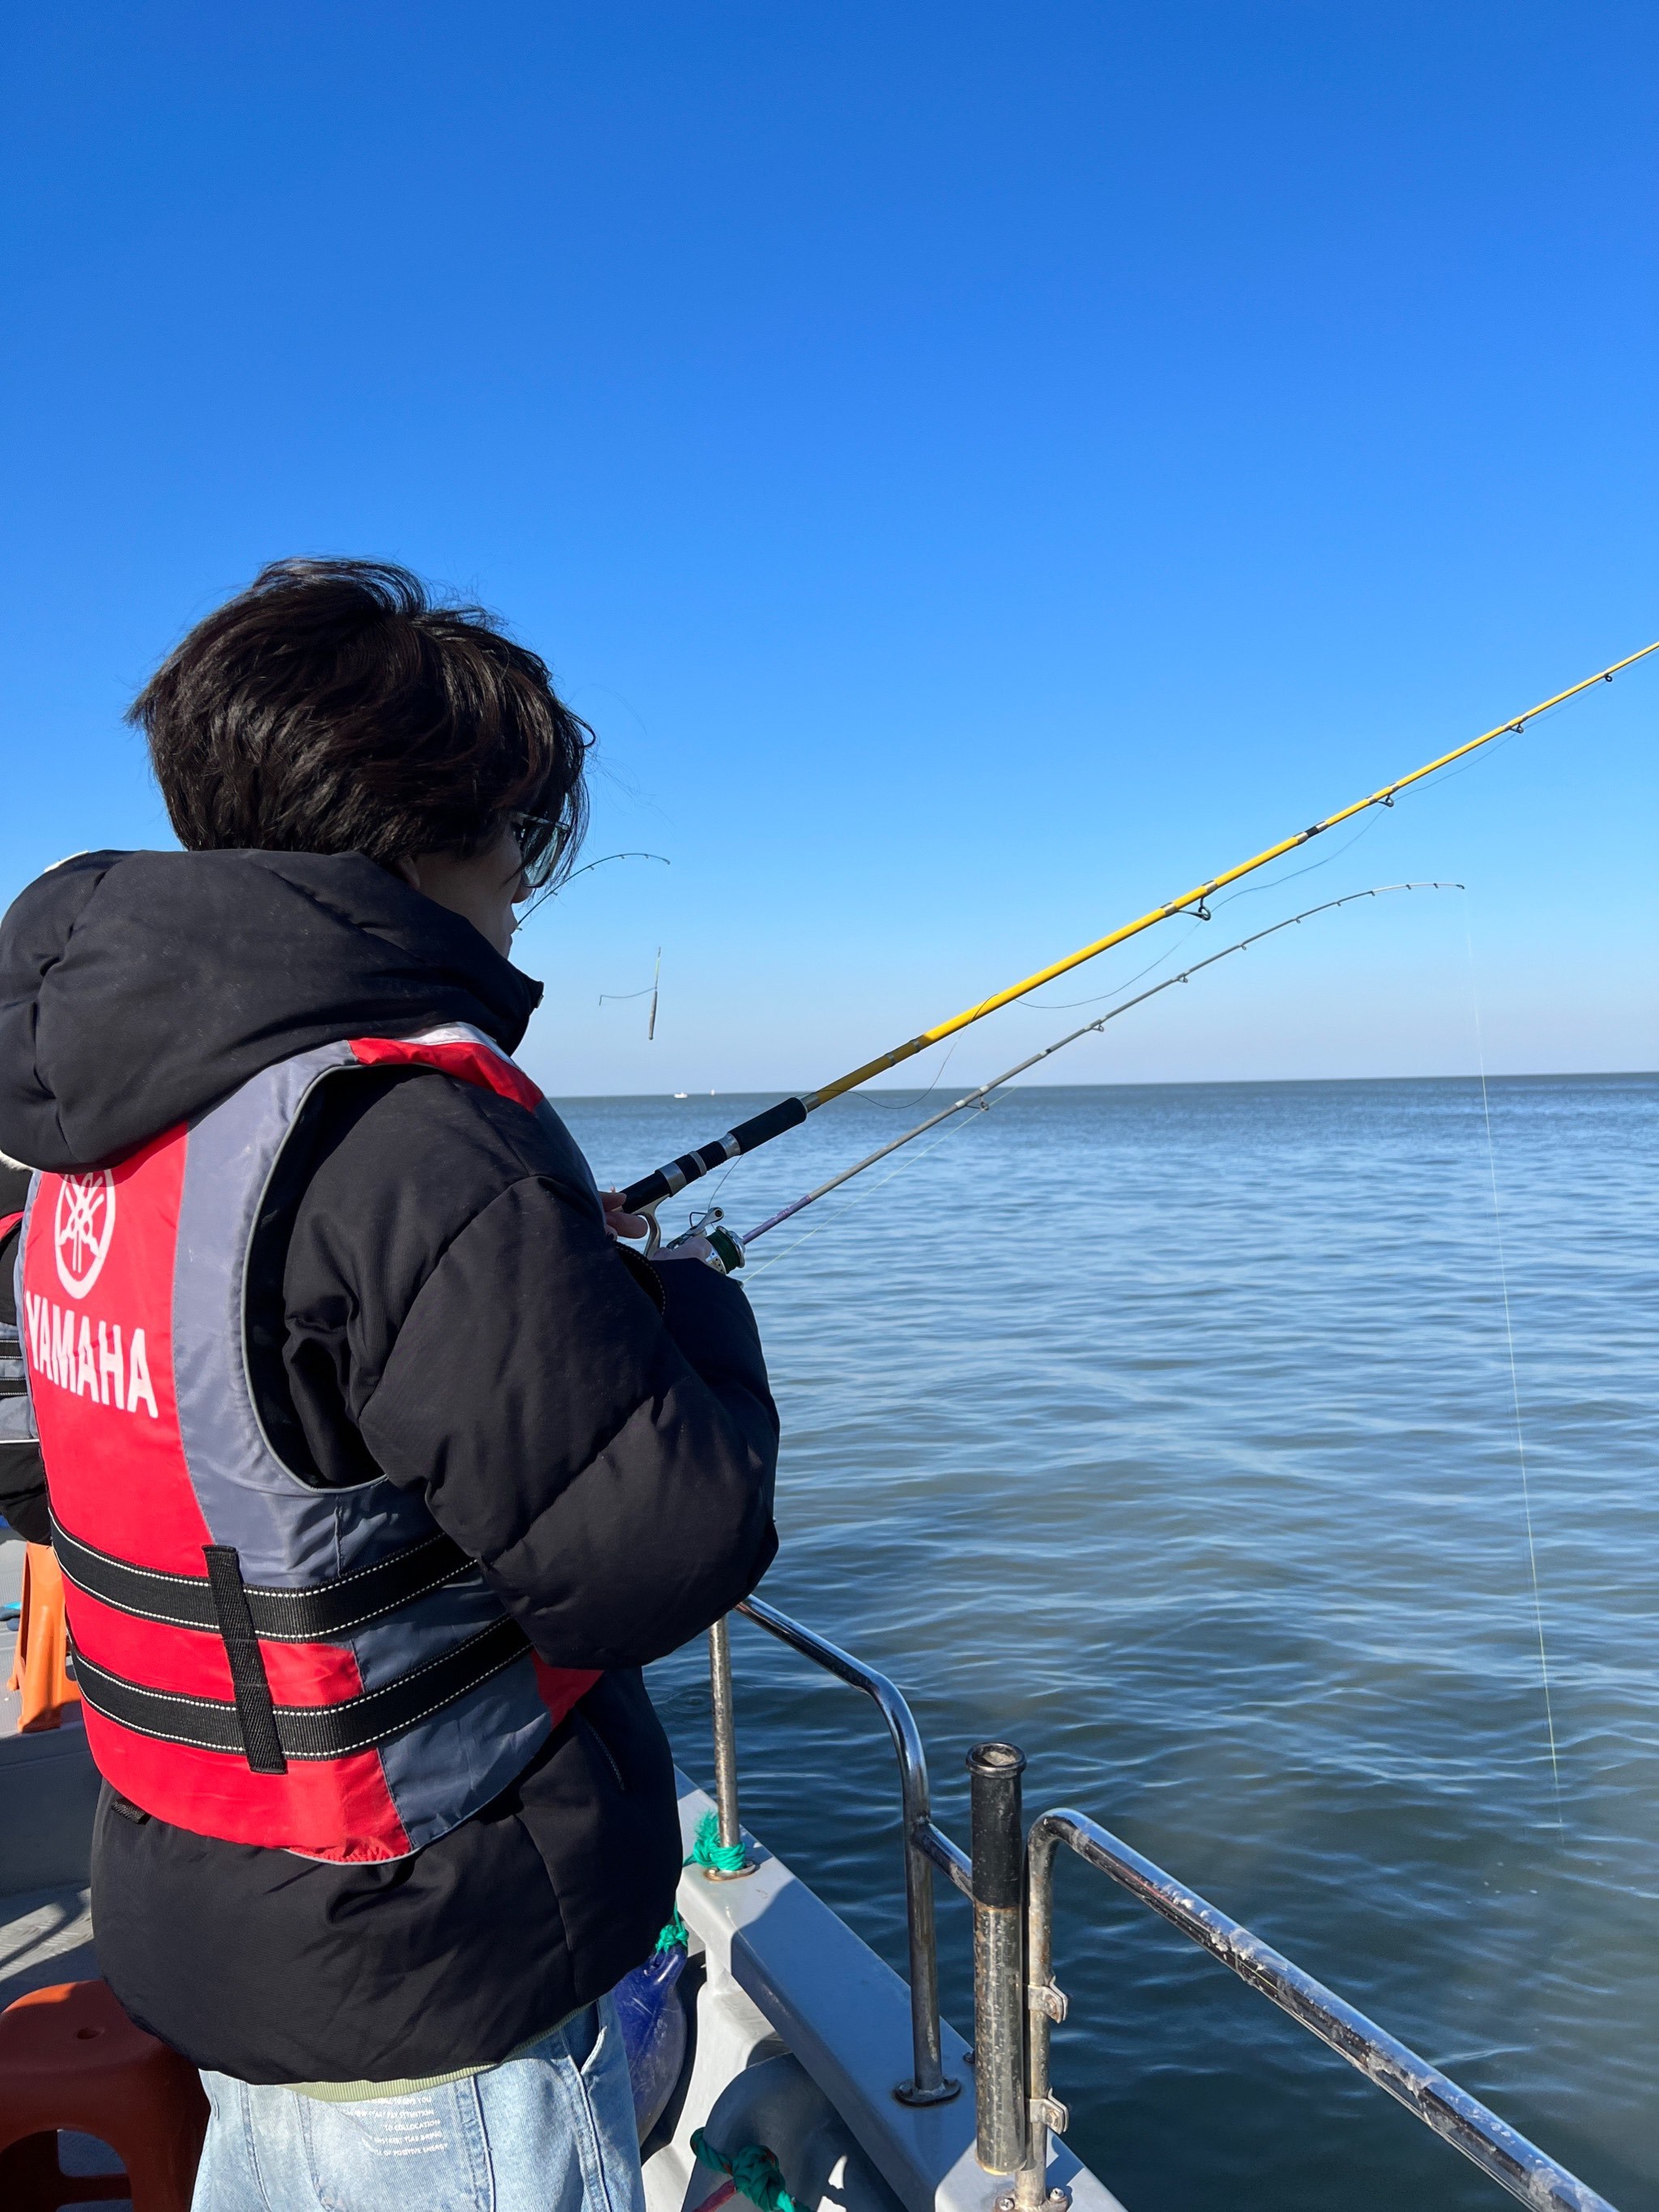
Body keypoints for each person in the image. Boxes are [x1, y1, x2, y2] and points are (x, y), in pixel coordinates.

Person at [0, 560, 779, 2212]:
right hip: (429, 1959)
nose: (517, 888)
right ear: (420, 828)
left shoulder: (92, 1131)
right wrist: (680, 1303)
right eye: (510, 836)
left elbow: (58, 1452)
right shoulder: (417, 1135)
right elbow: (656, 1551)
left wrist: (528, 1282)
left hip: (199, 1910)